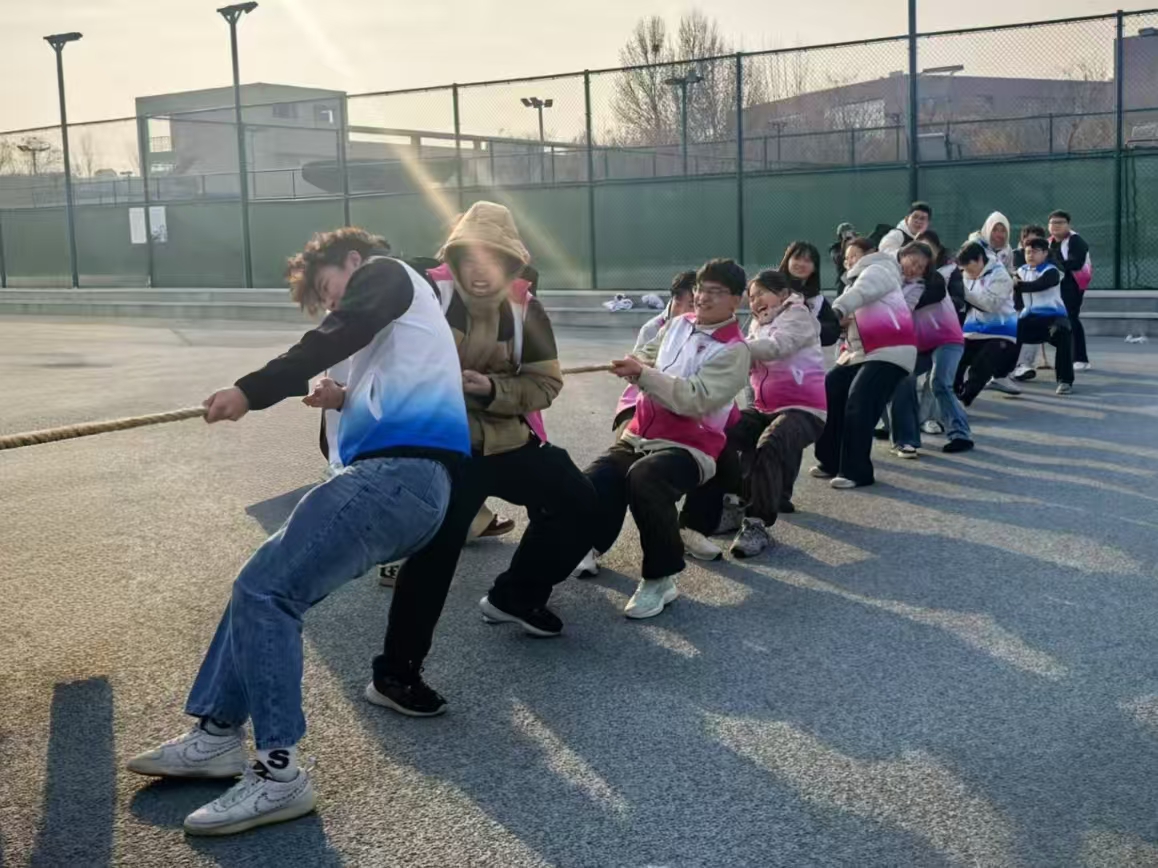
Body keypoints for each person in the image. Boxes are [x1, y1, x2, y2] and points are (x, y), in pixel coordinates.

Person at [126, 228, 472, 836]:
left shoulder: (386, 272)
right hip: (405, 482)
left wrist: (249, 390)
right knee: (257, 584)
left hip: (399, 477)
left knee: (267, 592)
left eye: (329, 288)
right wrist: (345, 395)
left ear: (354, 260)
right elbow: (383, 368)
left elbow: (335, 333)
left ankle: (278, 773)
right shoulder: (405, 317)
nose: (332, 303)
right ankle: (216, 734)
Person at [369, 201, 598, 716]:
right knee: (434, 555)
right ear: (452, 258)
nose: (479, 269)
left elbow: (546, 383)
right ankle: (394, 676)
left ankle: (515, 596)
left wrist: (491, 388)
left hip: (507, 438)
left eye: (493, 259)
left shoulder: (526, 309)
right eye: (468, 257)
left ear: (512, 264)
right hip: (442, 447)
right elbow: (383, 362)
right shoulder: (425, 296)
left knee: (580, 500)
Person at [580, 259, 750, 619]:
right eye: (701, 289)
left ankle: (660, 578)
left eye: (716, 292)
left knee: (646, 478)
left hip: (691, 447)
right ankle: (588, 545)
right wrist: (634, 362)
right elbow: (649, 353)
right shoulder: (677, 323)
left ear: (737, 300)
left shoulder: (735, 351)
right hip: (640, 435)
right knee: (598, 476)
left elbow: (694, 399)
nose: (703, 297)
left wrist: (643, 375)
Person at [682, 269, 826, 558]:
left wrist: (733, 347)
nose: (755, 300)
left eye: (761, 293)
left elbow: (777, 347)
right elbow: (742, 363)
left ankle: (757, 523)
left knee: (770, 444)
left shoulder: (798, 315)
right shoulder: (756, 326)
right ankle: (733, 506)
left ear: (782, 293)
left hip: (805, 409)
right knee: (721, 434)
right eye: (751, 296)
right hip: (763, 408)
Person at [811, 238, 916, 489]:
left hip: (890, 350)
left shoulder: (879, 268)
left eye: (853, 255)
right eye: (846, 257)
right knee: (831, 389)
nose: (848, 261)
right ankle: (830, 460)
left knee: (860, 399)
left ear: (870, 253)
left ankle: (857, 472)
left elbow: (861, 293)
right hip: (860, 353)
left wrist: (837, 310)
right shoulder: (856, 280)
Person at [888, 242, 972, 455]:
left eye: (921, 266)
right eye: (913, 262)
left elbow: (905, 307)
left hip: (947, 339)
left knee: (940, 383)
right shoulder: (892, 280)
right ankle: (897, 431)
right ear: (902, 256)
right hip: (919, 345)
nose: (915, 269)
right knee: (894, 378)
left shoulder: (932, 283)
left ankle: (960, 434)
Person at [611, 270, 697, 434]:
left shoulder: (704, 331)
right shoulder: (653, 329)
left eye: (694, 305)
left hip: (683, 398)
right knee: (630, 434)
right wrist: (638, 367)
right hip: (641, 397)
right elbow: (638, 366)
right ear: (674, 299)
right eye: (683, 302)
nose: (687, 311)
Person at [953, 241, 1019, 407]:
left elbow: (990, 305)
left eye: (970, 269)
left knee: (981, 365)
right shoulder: (966, 274)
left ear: (980, 259)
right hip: (972, 329)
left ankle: (965, 399)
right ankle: (951, 395)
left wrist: (963, 292)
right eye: (965, 270)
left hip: (1000, 330)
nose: (969, 274)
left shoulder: (1000, 276)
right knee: (955, 359)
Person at [1014, 236, 1074, 395]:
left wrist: (1016, 284)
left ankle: (1065, 381)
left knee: (1063, 333)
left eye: (1035, 251)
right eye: (1027, 252)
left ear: (1045, 253)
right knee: (1007, 334)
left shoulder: (1052, 271)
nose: (1030, 255)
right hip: (1029, 317)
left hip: (1053, 317)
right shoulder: (1021, 271)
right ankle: (1000, 375)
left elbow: (1038, 285)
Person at [1048, 210, 1092, 370]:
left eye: (1060, 222)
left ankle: (1081, 358)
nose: (1056, 226)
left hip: (1073, 284)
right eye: (1053, 223)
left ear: (1068, 225)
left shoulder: (1076, 241)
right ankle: (1067, 357)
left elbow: (1076, 263)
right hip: (1055, 284)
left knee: (1071, 317)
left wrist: (1054, 265)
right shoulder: (1048, 242)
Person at [779, 240, 841, 346]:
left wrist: (809, 326)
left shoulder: (817, 300)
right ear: (787, 260)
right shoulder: (773, 288)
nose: (801, 264)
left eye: (807, 261)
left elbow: (832, 333)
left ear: (814, 268)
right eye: (797, 258)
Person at [1011, 225, 1050, 381]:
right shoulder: (1015, 255)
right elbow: (1015, 275)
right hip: (1018, 302)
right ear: (1022, 241)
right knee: (1014, 334)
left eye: (1036, 241)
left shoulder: (1049, 258)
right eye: (1028, 240)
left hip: (1038, 305)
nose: (1031, 245)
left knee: (1032, 335)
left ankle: (1024, 365)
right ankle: (1010, 366)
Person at [828, 222, 858, 290]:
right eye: (844, 234)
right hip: (844, 280)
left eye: (850, 233)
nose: (848, 236)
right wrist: (845, 245)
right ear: (840, 236)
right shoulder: (835, 248)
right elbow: (838, 259)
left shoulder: (859, 245)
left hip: (857, 278)